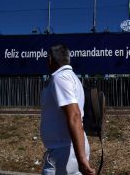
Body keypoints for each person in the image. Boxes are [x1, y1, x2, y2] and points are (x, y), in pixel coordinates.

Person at [40, 44, 95, 175]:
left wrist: (81, 159)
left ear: (50, 59)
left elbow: (74, 115)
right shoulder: (72, 77)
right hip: (69, 148)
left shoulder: (60, 78)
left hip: (63, 152)